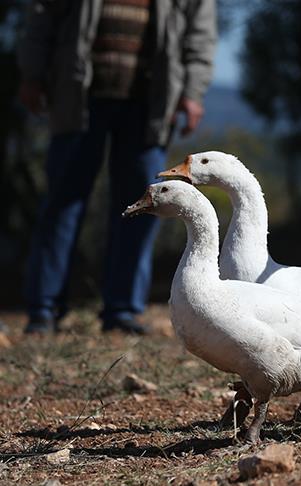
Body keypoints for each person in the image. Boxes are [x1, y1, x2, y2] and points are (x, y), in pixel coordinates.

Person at [18, 0, 217, 334]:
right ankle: (43, 309)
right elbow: (42, 15)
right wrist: (32, 73)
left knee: (146, 204)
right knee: (63, 201)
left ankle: (122, 310)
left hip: (150, 100)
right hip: (77, 93)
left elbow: (200, 33)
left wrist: (192, 91)